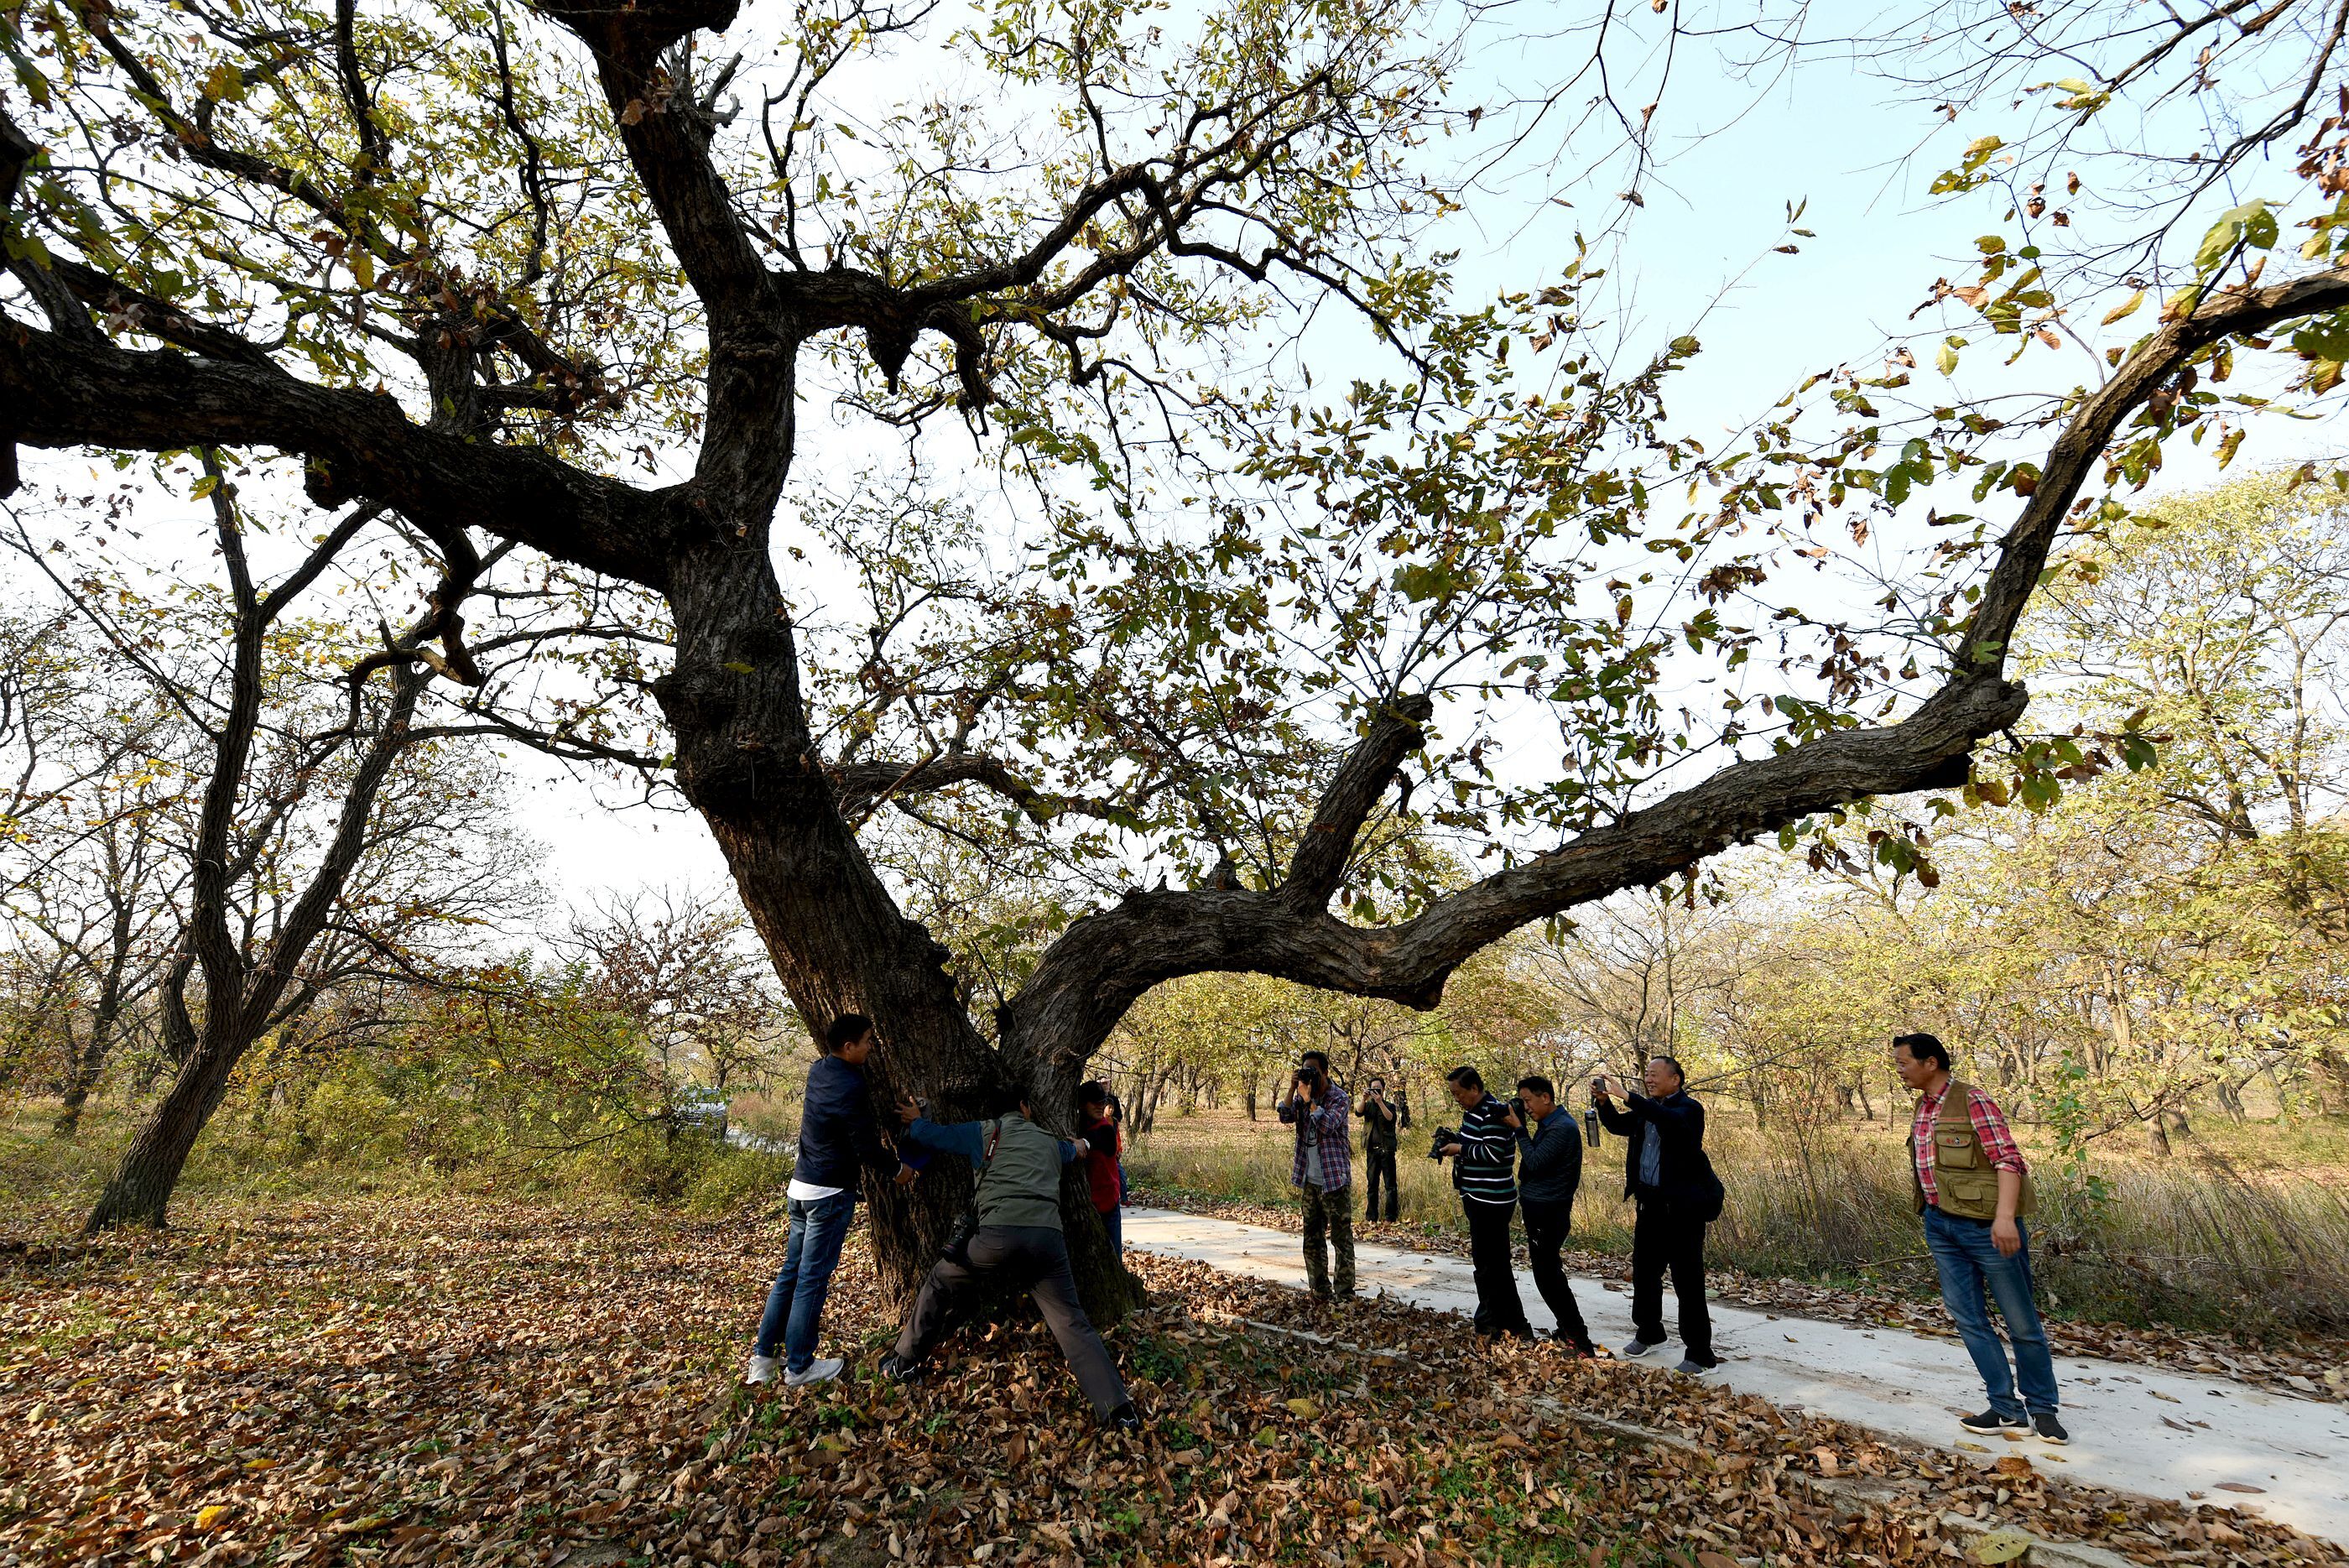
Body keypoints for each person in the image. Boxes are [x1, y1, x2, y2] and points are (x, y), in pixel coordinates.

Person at [879, 1084, 1141, 1430]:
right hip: (1047, 1243)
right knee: (1071, 1322)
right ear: (1025, 1108)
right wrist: (1083, 1144)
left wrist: (914, 1121)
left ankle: (903, 1361)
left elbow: (936, 1136)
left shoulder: (982, 1132)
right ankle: (1119, 1410)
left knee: (940, 1280)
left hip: (994, 1239)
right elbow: (1074, 1150)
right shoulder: (1049, 1141)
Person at [1893, 1032, 2068, 1444]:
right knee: (1969, 1319)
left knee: (2022, 1323)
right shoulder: (1922, 1107)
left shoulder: (1972, 1100)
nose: (1899, 1069)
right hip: (1940, 1226)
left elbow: (2008, 1161)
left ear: (1930, 1062)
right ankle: (2006, 1409)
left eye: (1904, 1062)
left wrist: (2005, 1219)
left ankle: (2042, 1409)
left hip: (1987, 1229)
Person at [747, 1013, 915, 1388]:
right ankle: (800, 1367)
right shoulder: (851, 1085)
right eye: (868, 1041)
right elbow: (864, 1144)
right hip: (828, 1194)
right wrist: (897, 1169)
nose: (872, 1048)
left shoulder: (819, 1070)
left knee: (790, 1276)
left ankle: (763, 1361)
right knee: (811, 1280)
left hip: (801, 1188)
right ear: (849, 1046)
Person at [1593, 1056, 1721, 1373]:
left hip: (1682, 1212)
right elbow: (1618, 1126)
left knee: (1687, 1282)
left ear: (1675, 1079)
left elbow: (1669, 1121)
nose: (1648, 1080)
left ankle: (1701, 1355)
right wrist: (1604, 1102)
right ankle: (1650, 1332)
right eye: (1646, 1075)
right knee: (1645, 1275)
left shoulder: (1689, 1110)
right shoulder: (1647, 1109)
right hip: (1649, 1208)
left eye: (1654, 1075)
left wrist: (1627, 1096)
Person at [1439, 1065, 1533, 1339]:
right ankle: (1503, 1322)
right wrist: (1454, 1142)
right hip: (1477, 1195)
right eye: (1453, 1094)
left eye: (1459, 1093)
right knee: (1491, 1263)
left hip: (1490, 1200)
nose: (1457, 1098)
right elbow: (1478, 1144)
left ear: (1474, 1089)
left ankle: (1501, 1323)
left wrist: (1460, 1149)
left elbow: (1495, 1154)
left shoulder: (1492, 1112)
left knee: (1492, 1265)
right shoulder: (1473, 1112)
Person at [1513, 1076, 1595, 1356]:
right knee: (1548, 1274)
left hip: (1549, 1211)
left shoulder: (1562, 1127)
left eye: (1528, 1101)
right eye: (1522, 1102)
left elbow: (1534, 1162)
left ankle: (1579, 1341)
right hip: (1541, 1208)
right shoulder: (1550, 1124)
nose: (1526, 1108)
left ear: (1545, 1097)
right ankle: (1568, 1329)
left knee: (1549, 1278)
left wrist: (1519, 1131)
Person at [1276, 1050, 1355, 1300]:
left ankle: (1344, 1293)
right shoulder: (1301, 1095)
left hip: (1334, 1181)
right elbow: (1285, 1116)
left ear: (1325, 1072)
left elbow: (1328, 1125)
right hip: (1310, 1179)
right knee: (1312, 1238)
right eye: (1305, 1070)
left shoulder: (1339, 1098)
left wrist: (1310, 1101)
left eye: (1314, 1072)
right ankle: (1320, 1289)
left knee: (1341, 1241)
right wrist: (1292, 1089)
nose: (1310, 1075)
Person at [1078, 1080, 1124, 1253]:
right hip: (1089, 1203)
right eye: (1094, 1102)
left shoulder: (1105, 1128)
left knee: (1113, 1253)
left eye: (1102, 1102)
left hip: (1108, 1202)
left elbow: (1101, 1141)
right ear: (1082, 1104)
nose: (1100, 1106)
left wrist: (1083, 1143)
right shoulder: (1078, 1125)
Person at [1358, 1076, 1407, 1222]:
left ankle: (1390, 1217)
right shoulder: (1367, 1106)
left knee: (1390, 1185)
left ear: (1384, 1089)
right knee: (1372, 1185)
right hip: (1371, 1151)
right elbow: (1358, 1112)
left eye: (1378, 1089)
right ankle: (1371, 1217)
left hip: (1386, 1150)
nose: (1376, 1092)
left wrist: (1380, 1102)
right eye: (1373, 1089)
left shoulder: (1389, 1106)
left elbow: (1390, 1118)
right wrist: (1364, 1099)